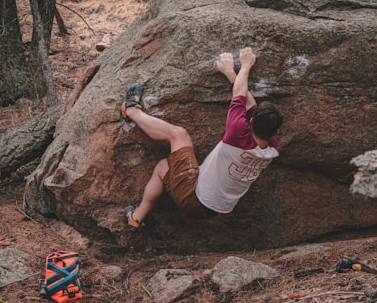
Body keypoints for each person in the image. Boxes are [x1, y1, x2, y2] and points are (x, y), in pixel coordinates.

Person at [120, 47, 283, 231]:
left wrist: (245, 65)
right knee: (163, 168)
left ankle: (131, 110)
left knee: (178, 134)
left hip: (194, 197)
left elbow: (241, 95)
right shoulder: (272, 149)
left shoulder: (238, 133)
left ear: (250, 121)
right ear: (275, 131)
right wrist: (229, 72)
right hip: (213, 208)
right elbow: (250, 104)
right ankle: (135, 219)